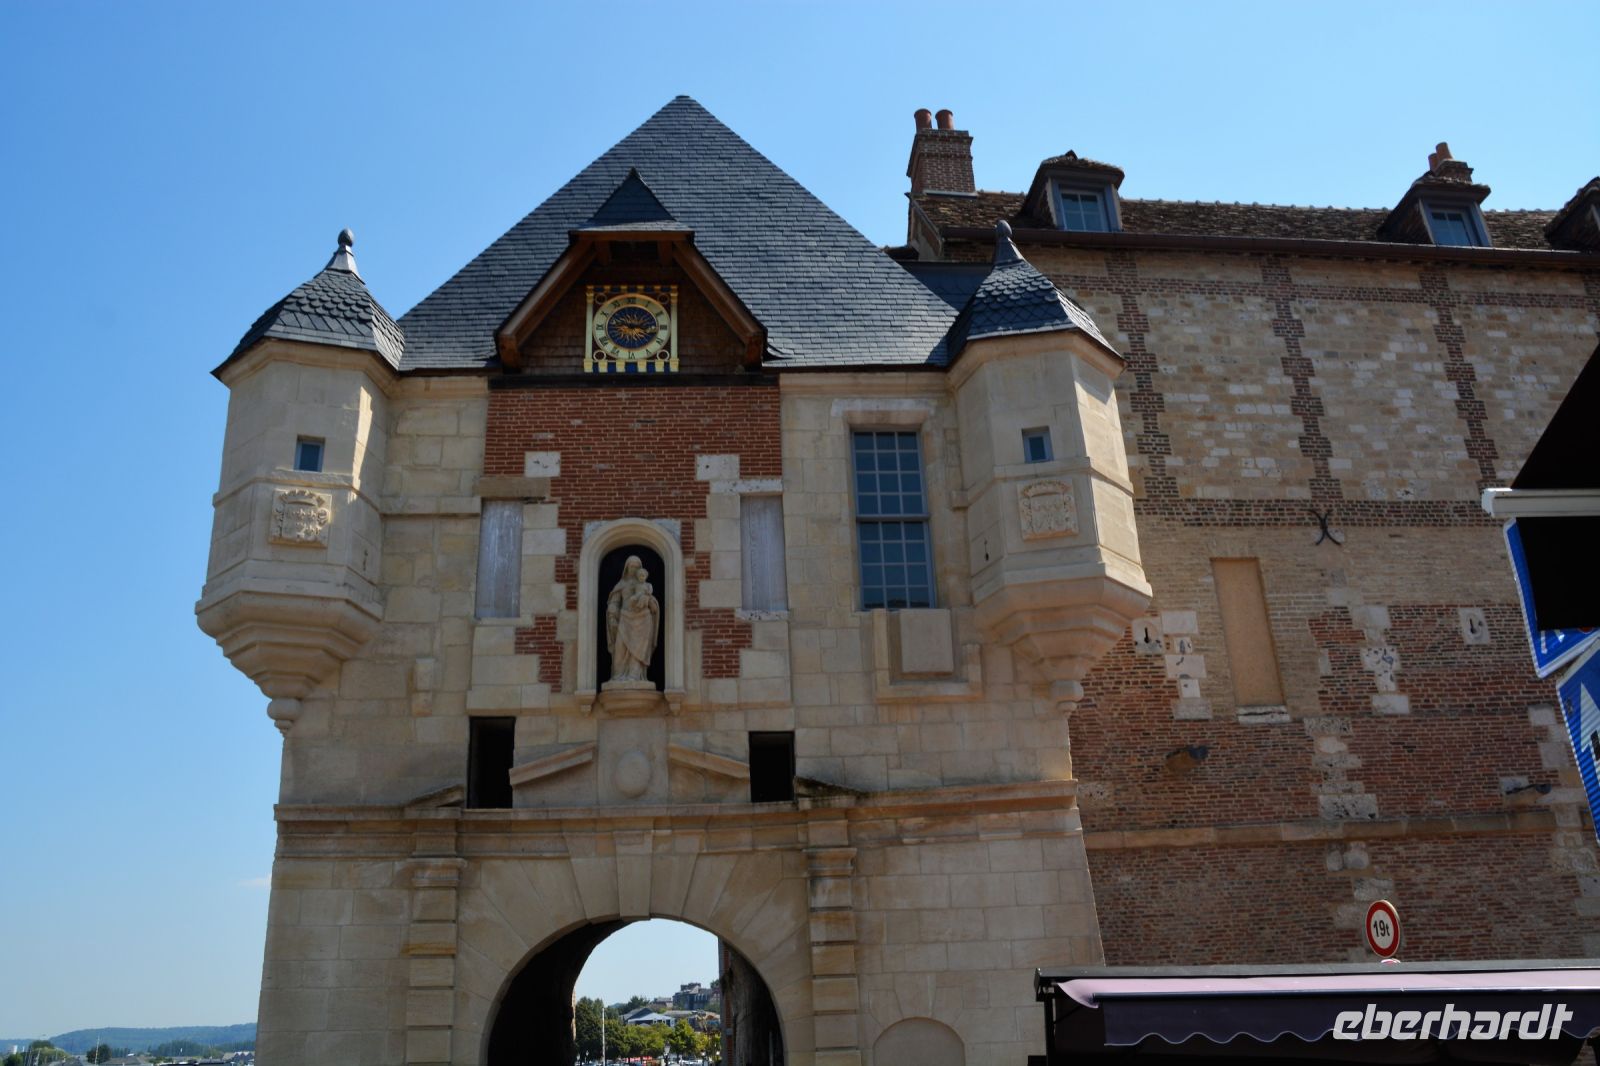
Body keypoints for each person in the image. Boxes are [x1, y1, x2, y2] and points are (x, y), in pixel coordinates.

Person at [606, 555, 660, 682]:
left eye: (637, 567)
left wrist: (648, 600)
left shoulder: (646, 586)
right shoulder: (621, 584)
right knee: (620, 649)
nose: (634, 569)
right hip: (624, 618)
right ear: (627, 568)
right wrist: (612, 615)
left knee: (638, 650)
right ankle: (618, 676)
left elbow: (654, 607)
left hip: (643, 620)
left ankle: (634, 676)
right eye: (632, 566)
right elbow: (614, 602)